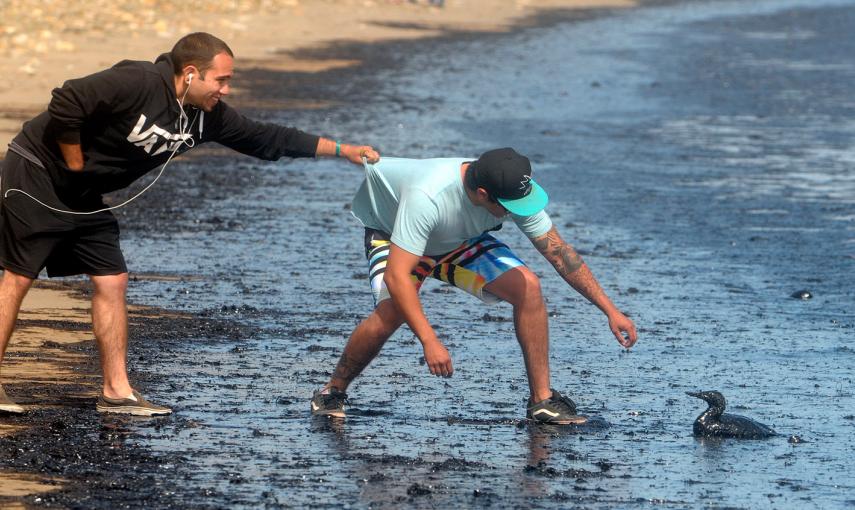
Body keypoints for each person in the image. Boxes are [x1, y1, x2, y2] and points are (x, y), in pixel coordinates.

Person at [0, 32, 380, 416]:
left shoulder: (206, 117)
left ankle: (116, 391)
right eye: (221, 80)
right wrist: (76, 162)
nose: (226, 90)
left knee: (112, 279)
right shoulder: (139, 82)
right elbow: (67, 99)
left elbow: (266, 138)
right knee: (19, 276)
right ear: (191, 73)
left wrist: (341, 150)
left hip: (83, 197)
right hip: (36, 174)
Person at [310, 148, 637, 424]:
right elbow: (398, 276)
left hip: (457, 238)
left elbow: (560, 253)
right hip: (394, 231)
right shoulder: (429, 195)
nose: (517, 212)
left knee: (528, 287)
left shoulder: (508, 187)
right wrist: (430, 340)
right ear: (482, 195)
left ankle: (542, 401)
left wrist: (609, 309)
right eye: (510, 207)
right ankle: (332, 391)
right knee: (393, 311)